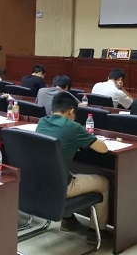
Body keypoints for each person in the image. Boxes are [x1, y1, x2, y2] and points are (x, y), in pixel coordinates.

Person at [36, 91, 110, 244]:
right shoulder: (73, 127)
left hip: (40, 182)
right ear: (71, 111)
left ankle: (68, 220)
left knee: (71, 170)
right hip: (61, 186)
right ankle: (96, 231)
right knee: (104, 183)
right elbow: (103, 149)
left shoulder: (42, 121)